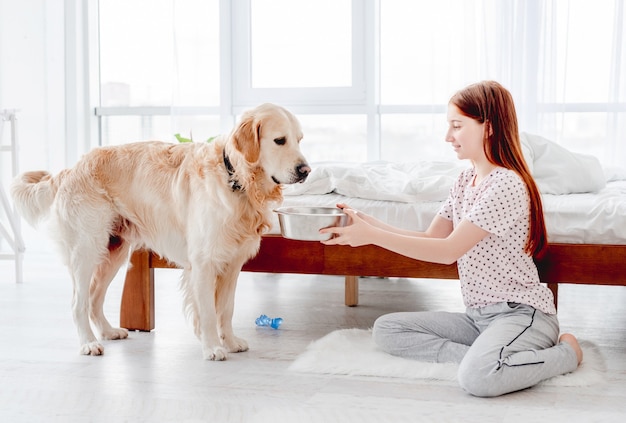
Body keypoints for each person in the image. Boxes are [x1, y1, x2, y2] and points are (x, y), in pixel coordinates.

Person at [319, 80, 583, 397]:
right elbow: (431, 237)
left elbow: (447, 252)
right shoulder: (464, 180)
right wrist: (371, 224)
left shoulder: (506, 185)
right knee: (387, 329)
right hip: (477, 318)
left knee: (478, 380)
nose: (448, 137)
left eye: (457, 126)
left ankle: (566, 355)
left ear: (488, 126)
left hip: (522, 314)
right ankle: (487, 359)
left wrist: (372, 236)